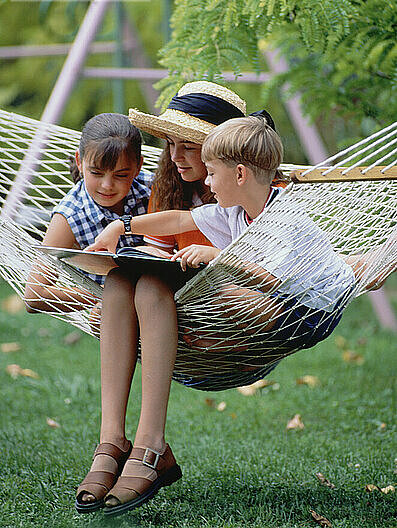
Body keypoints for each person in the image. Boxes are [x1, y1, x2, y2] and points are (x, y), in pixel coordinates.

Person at [83, 113, 357, 518]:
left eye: (212, 174)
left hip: (304, 309)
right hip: (262, 294)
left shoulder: (285, 219)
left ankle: (156, 430)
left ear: (241, 174)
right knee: (127, 280)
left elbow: (272, 281)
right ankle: (117, 442)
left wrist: (219, 258)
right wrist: (122, 226)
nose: (206, 183)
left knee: (210, 290)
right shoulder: (233, 212)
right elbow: (179, 219)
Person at [74, 81, 253, 517]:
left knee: (151, 285)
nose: (176, 156)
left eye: (190, 146)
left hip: (224, 309)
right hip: (169, 305)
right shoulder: (170, 187)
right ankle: (112, 439)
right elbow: (159, 243)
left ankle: (151, 443)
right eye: (171, 144)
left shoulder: (247, 194)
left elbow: (261, 264)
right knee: (118, 281)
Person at [24, 112, 152, 313]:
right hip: (111, 309)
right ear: (79, 162)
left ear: (138, 166)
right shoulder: (71, 214)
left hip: (160, 294)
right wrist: (103, 295)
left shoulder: (152, 189)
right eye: (96, 173)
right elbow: (34, 296)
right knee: (98, 316)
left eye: (121, 175)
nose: (107, 185)